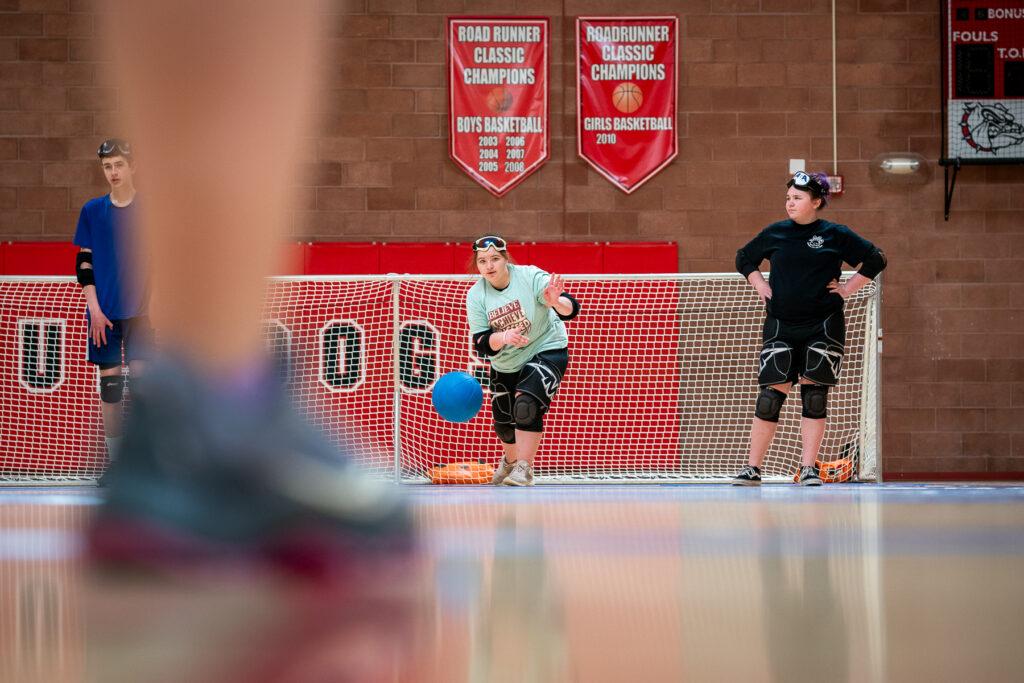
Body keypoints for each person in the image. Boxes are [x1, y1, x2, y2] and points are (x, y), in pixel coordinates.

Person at [87, 0, 410, 573]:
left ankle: (181, 432)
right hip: (130, 317)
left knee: (137, 372)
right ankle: (219, 416)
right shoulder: (99, 214)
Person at [732, 171, 886, 486]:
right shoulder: (775, 233)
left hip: (823, 325)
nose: (790, 203)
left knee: (814, 395)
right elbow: (744, 258)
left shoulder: (835, 234)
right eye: (788, 197)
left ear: (816, 202)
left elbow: (876, 259)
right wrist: (759, 283)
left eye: (798, 198)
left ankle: (808, 468)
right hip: (781, 325)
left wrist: (847, 289)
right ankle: (752, 468)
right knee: (770, 396)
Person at [466, 236, 580, 487]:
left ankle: (524, 469)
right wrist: (504, 336)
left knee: (526, 406)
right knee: (505, 426)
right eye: (483, 261)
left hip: (545, 347)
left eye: (495, 259)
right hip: (506, 362)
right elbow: (482, 344)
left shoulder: (529, 277)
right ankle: (509, 462)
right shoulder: (476, 296)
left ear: (506, 259)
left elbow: (571, 308)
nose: (489, 265)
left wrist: (554, 301)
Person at [72, 138, 151, 464]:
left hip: (142, 314)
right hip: (102, 314)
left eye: (118, 164)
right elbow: (83, 264)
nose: (113, 172)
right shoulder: (92, 211)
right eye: (107, 166)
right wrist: (94, 309)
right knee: (111, 389)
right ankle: (117, 466)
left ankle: (147, 466)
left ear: (132, 166)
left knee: (145, 388)